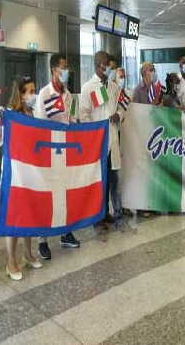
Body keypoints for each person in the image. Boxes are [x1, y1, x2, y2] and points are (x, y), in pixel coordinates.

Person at [0, 78, 43, 280]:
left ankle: (28, 254)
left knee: (29, 213)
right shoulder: (8, 114)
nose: (33, 95)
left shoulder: (32, 114)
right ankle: (10, 261)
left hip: (30, 172)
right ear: (20, 94)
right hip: (13, 174)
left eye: (34, 90)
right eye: (29, 91)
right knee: (13, 216)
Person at [34, 53, 81, 259]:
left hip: (66, 152)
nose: (66, 71)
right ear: (54, 69)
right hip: (47, 151)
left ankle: (65, 232)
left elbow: (73, 118)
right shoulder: (45, 94)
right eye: (63, 67)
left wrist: (77, 124)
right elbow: (38, 125)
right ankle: (42, 240)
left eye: (67, 67)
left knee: (65, 192)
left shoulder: (69, 95)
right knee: (46, 195)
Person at [79, 51, 124, 230]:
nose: (111, 69)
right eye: (108, 65)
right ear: (99, 65)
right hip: (97, 141)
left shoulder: (113, 87)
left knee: (112, 178)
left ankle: (106, 212)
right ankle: (97, 216)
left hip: (112, 138)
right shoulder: (88, 88)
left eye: (112, 66)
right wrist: (95, 131)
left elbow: (121, 107)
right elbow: (83, 114)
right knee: (98, 180)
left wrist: (118, 115)